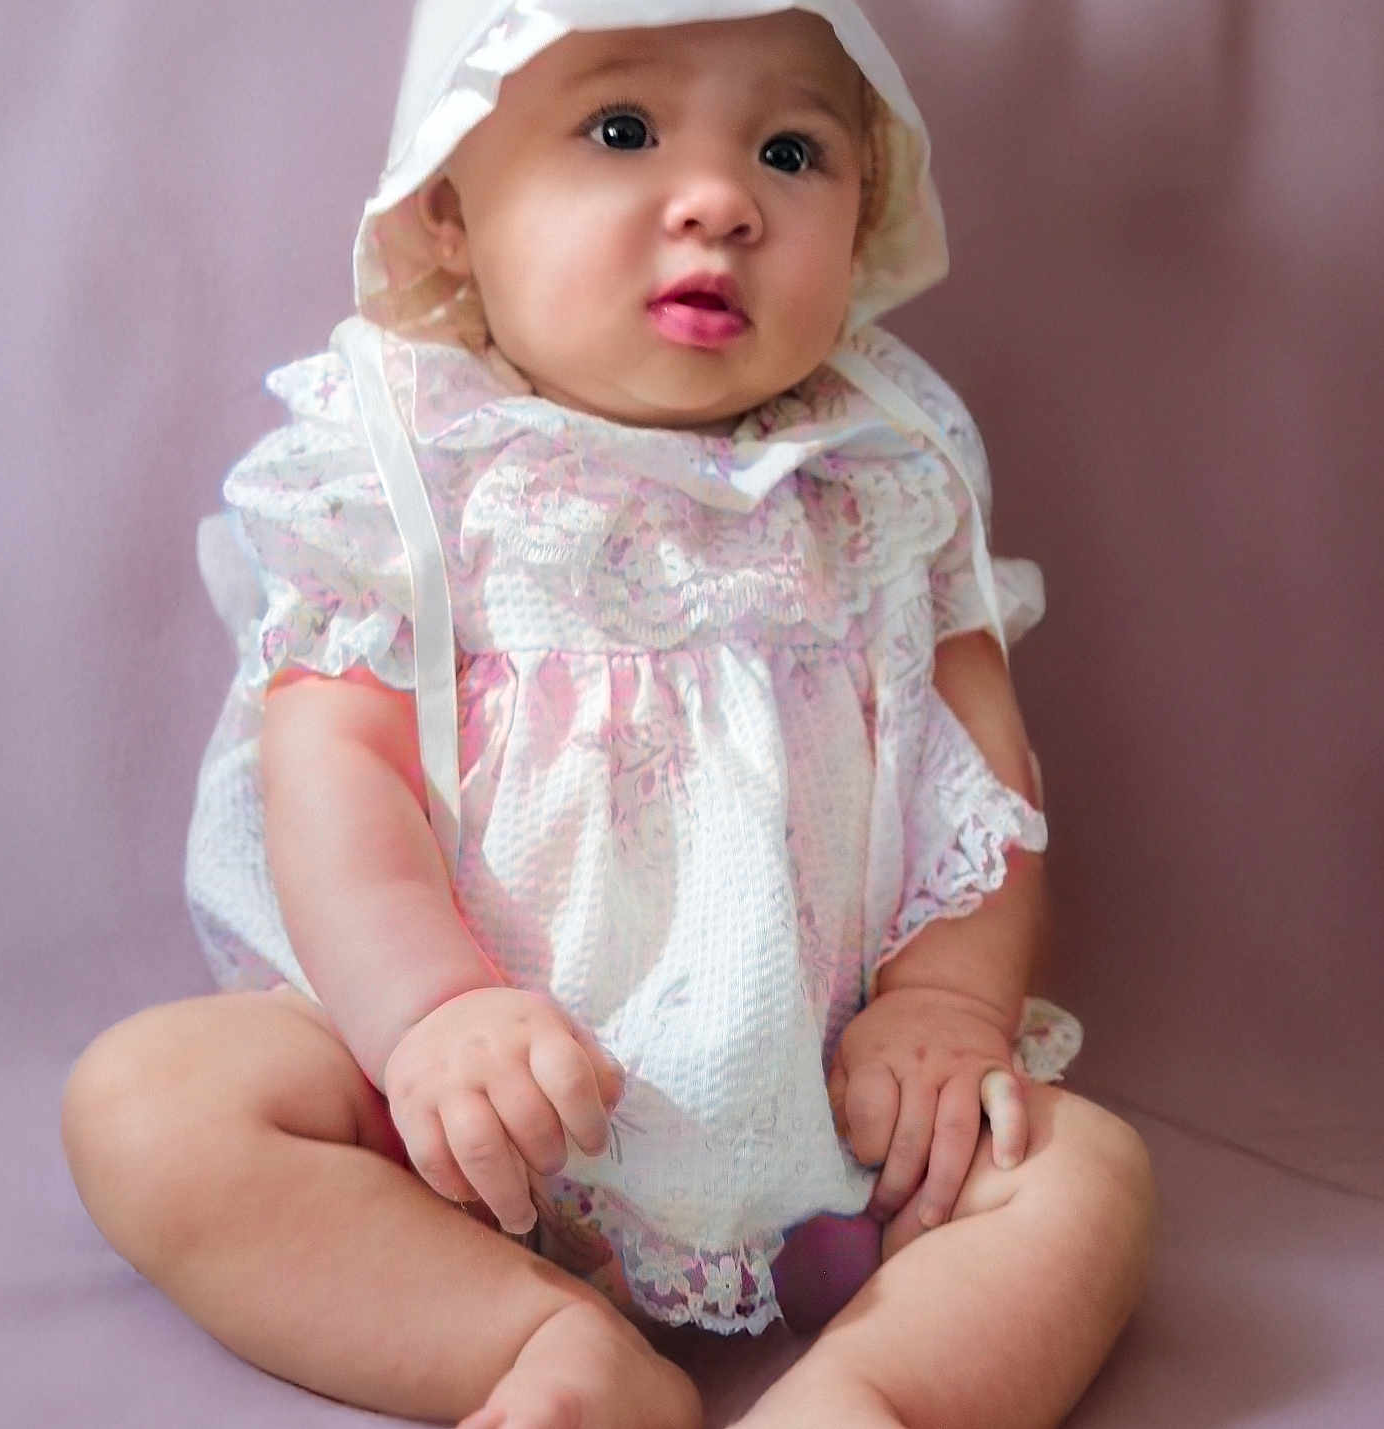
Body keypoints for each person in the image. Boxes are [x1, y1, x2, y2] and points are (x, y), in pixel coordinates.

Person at [62, 4, 1154, 1426]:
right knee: (150, 1104)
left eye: (788, 150)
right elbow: (334, 768)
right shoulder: (399, 473)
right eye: (622, 130)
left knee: (1082, 1174)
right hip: (449, 1129)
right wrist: (429, 1014)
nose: (720, 202)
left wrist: (948, 1006)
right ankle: (528, 1341)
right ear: (449, 208)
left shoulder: (879, 484)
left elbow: (980, 787)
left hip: (818, 1125)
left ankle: (875, 1392)